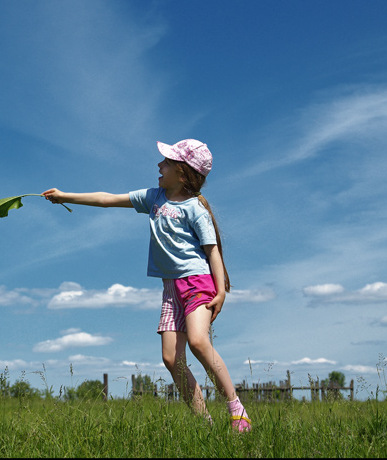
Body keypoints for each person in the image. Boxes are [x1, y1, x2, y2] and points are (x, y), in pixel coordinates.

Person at [42, 139, 251, 431]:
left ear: (182, 174)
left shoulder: (195, 209)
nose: (159, 165)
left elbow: (212, 251)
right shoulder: (154, 198)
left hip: (197, 283)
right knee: (170, 358)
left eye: (166, 162)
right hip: (171, 289)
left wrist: (221, 292)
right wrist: (66, 196)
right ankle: (205, 424)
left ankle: (236, 410)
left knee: (199, 342)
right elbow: (107, 199)